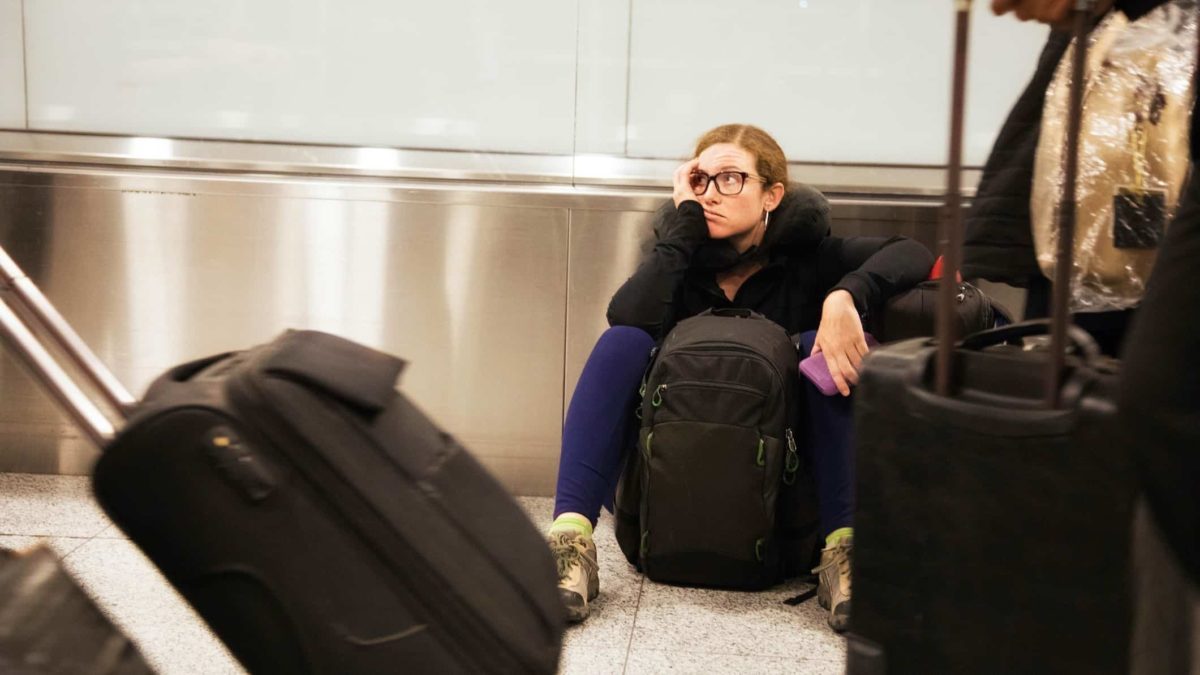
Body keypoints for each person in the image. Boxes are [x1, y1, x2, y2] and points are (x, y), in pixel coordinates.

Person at [547, 124, 932, 632]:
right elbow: (627, 316)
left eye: (731, 179)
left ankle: (846, 551)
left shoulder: (807, 258)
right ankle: (569, 543)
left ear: (772, 194)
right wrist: (681, 230)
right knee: (624, 342)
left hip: (784, 498)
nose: (712, 194)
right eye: (700, 180)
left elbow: (915, 253)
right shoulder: (678, 260)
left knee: (819, 343)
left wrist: (845, 296)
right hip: (667, 489)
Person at [995, 1, 1199, 671]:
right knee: (1083, 431)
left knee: (1153, 407)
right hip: (1086, 256)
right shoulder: (1101, 38)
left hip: (1151, 220)